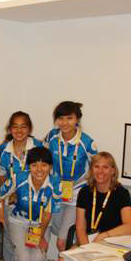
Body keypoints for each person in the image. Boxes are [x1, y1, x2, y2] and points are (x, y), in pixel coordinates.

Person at [52, 151, 131, 261]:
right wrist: (86, 247)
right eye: (96, 166)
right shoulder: (85, 192)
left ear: (113, 170)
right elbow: (80, 225)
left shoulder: (120, 193)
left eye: (105, 167)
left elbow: (130, 226)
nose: (100, 171)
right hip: (88, 242)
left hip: (112, 244)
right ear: (91, 170)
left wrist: (105, 235)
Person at [0, 147, 62, 261]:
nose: (39, 170)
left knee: (39, 257)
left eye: (44, 165)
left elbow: (48, 213)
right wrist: (1, 217)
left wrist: (40, 236)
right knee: (23, 257)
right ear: (28, 166)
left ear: (50, 167)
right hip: (18, 222)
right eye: (34, 165)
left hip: (40, 224)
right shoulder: (18, 177)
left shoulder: (55, 183)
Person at [44, 101, 98, 252]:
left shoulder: (87, 142)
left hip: (76, 196)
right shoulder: (51, 136)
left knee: (63, 241)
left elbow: (97, 167)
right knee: (52, 232)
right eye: (61, 118)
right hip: (56, 193)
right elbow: (42, 158)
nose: (65, 123)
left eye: (69, 118)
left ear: (77, 120)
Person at [0, 111, 43, 261]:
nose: (19, 130)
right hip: (11, 203)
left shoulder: (38, 147)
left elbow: (45, 173)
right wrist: (7, 196)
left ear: (29, 129)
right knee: (10, 243)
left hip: (34, 204)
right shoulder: (3, 149)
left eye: (23, 126)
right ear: (9, 129)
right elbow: (1, 175)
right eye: (15, 126)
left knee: (33, 243)